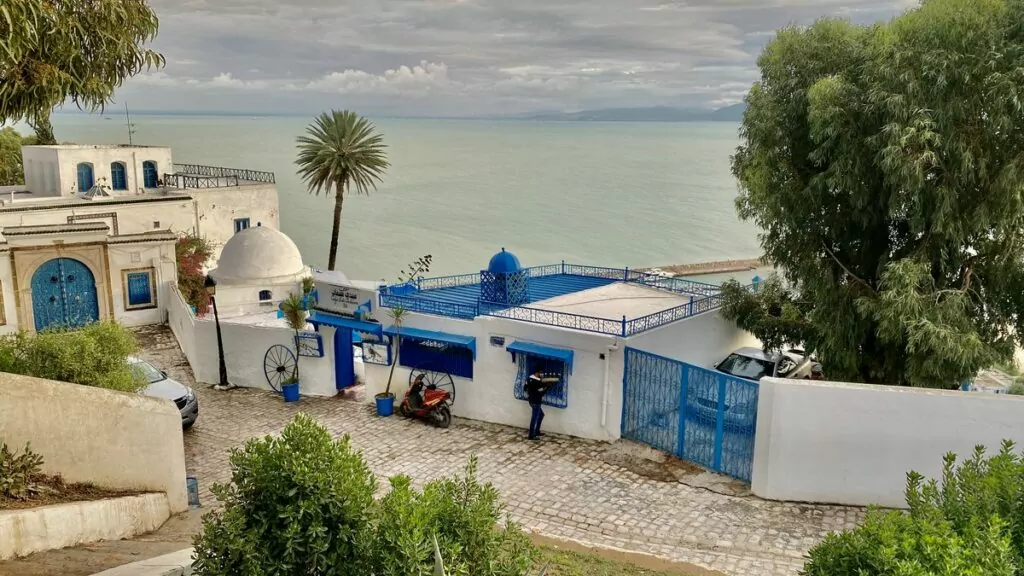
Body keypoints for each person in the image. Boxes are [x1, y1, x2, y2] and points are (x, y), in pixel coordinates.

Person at [525, 368, 555, 440]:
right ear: (536, 373)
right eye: (539, 373)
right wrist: (547, 387)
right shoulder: (536, 382)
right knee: (534, 418)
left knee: (541, 415)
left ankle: (537, 431)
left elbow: (525, 388)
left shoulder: (529, 379)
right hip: (536, 401)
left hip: (531, 400)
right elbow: (541, 393)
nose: (540, 375)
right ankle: (531, 435)